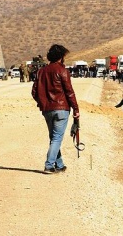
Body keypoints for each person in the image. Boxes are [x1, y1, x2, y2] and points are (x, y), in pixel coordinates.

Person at [32, 44, 80, 174]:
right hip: (61, 109)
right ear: (61, 57)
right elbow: (69, 92)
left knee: (54, 137)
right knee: (57, 137)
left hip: (47, 110)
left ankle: (59, 165)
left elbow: (34, 92)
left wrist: (43, 103)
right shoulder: (62, 71)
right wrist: (76, 110)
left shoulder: (41, 71)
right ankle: (49, 165)